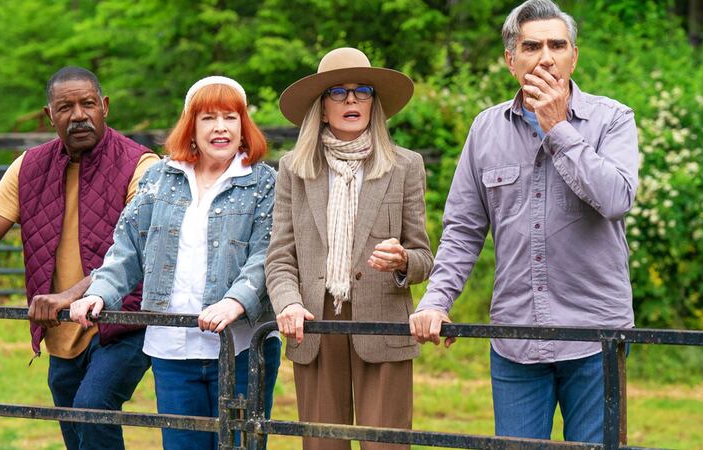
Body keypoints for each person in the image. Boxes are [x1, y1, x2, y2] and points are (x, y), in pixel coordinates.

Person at [409, 0, 639, 443]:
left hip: (596, 337)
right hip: (515, 336)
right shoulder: (485, 129)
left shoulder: (612, 119)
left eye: (558, 45)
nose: (546, 57)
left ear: (574, 56)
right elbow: (462, 228)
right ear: (510, 60)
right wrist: (435, 301)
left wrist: (558, 128)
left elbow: (615, 199)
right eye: (532, 46)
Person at [0, 66, 157, 449]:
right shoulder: (28, 167)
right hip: (60, 332)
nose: (79, 114)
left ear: (105, 107)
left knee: (92, 407)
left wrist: (71, 296)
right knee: (74, 427)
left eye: (88, 104)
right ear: (50, 116)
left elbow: (135, 251)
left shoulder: (142, 165)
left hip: (123, 322)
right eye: (66, 107)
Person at [69, 76, 281, 450]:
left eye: (230, 117)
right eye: (208, 118)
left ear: (243, 125)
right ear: (191, 126)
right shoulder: (160, 178)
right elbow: (128, 248)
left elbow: (268, 254)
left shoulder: (264, 182)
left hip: (242, 348)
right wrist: (100, 293)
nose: (220, 128)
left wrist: (234, 301)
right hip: (172, 347)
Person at [266, 47, 433, 450]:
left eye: (362, 91)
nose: (352, 100)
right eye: (338, 93)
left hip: (383, 321)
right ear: (322, 108)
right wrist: (288, 303)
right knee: (323, 444)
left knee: (385, 444)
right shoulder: (293, 168)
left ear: (374, 104)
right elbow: (280, 256)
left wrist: (402, 262)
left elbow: (424, 258)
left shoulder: (405, 166)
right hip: (315, 321)